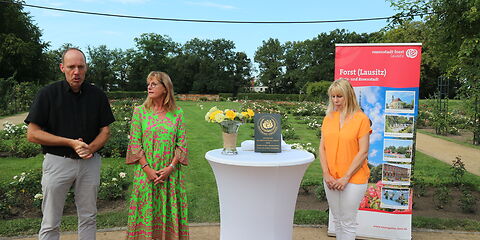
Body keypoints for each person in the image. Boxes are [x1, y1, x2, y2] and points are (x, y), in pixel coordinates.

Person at [25, 48, 115, 240]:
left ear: (86, 68)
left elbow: (105, 131)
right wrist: (70, 143)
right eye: (71, 67)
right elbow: (32, 134)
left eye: (80, 67)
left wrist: (90, 148)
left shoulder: (97, 95)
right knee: (50, 220)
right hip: (58, 162)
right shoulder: (48, 94)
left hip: (89, 163)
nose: (76, 72)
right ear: (62, 68)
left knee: (88, 217)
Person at [126, 71, 189, 239]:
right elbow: (135, 143)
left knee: (168, 212)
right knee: (145, 212)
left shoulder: (178, 114)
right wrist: (147, 169)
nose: (149, 87)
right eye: (148, 84)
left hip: (170, 175)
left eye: (154, 84)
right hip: (146, 174)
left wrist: (170, 167)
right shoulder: (140, 112)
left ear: (165, 88)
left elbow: (181, 144)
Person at [318, 79, 372, 240]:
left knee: (347, 222)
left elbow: (363, 152)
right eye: (333, 96)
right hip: (331, 179)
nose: (335, 100)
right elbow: (322, 148)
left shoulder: (361, 119)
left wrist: (346, 177)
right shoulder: (328, 118)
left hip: (354, 179)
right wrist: (326, 174)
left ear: (348, 96)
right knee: (337, 220)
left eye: (339, 96)